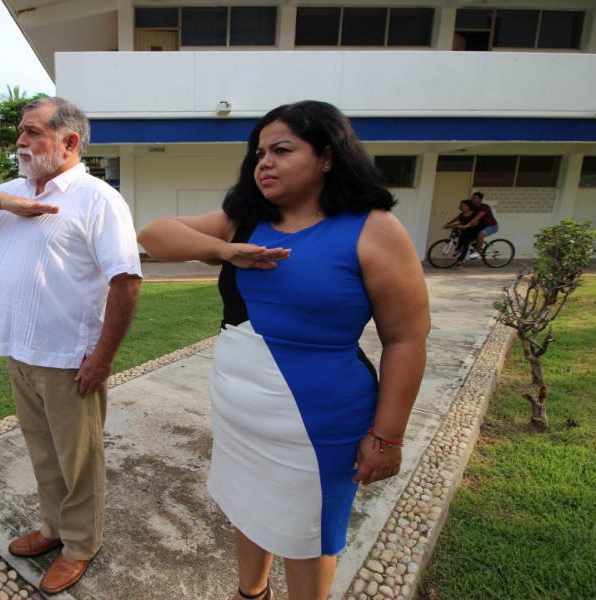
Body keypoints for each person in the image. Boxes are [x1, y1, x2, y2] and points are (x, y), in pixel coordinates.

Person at [137, 101, 429, 600]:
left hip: (317, 424)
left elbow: (406, 339)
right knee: (245, 504)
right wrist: (223, 250)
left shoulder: (373, 228)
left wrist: (388, 437)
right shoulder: (244, 221)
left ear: (328, 157)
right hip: (239, 412)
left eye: (282, 150)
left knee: (307, 535)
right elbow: (152, 235)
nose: (263, 162)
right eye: (259, 152)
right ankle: (251, 593)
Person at [0, 97, 142, 594]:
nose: (20, 142)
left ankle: (80, 544)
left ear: (69, 142)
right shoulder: (12, 192)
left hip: (70, 360)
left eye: (31, 133)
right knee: (42, 453)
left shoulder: (97, 199)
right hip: (20, 353)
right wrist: (3, 202)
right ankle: (53, 529)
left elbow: (127, 281)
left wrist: (103, 359)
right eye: (20, 134)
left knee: (78, 460)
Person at [468, 191, 498, 257]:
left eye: (475, 198)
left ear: (480, 199)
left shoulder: (485, 207)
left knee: (480, 234)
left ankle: (479, 252)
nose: (472, 199)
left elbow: (478, 216)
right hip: (481, 226)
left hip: (491, 226)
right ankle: (474, 248)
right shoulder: (473, 208)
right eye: (472, 198)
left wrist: (468, 224)